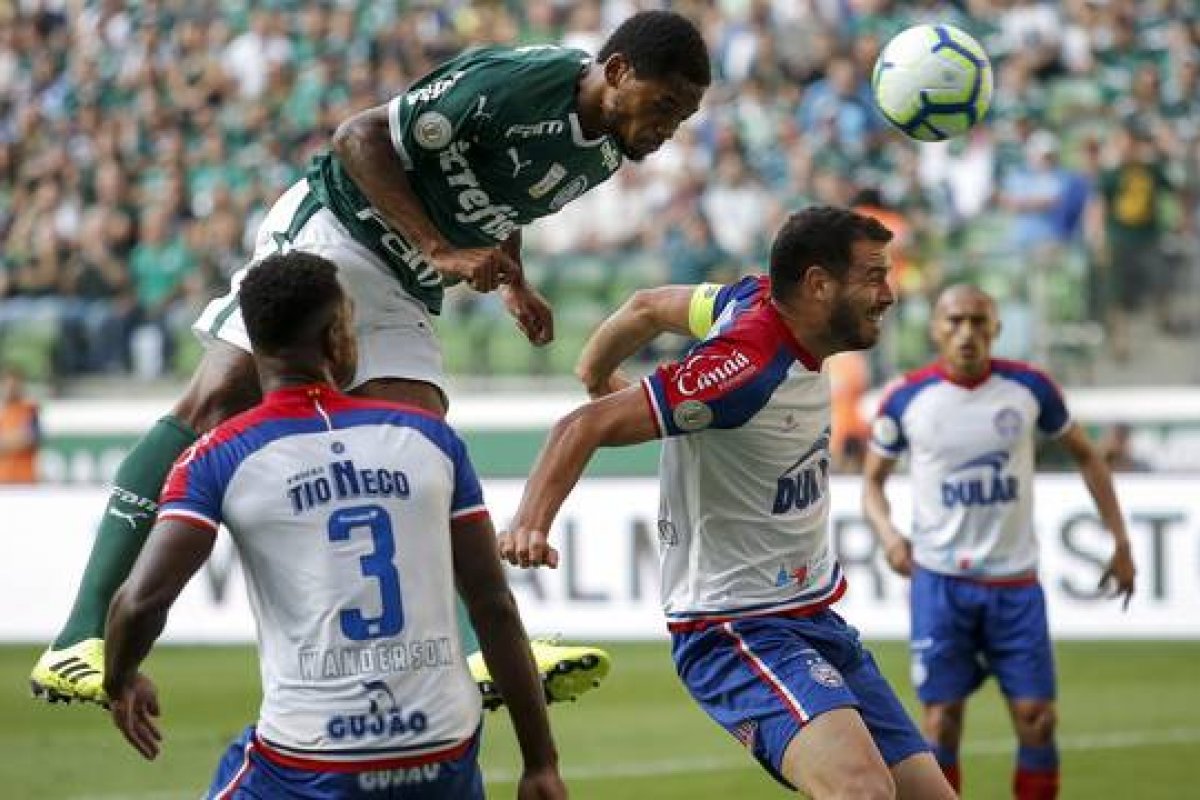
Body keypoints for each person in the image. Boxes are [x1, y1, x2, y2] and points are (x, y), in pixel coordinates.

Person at [33, 9, 711, 706]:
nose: (667, 129)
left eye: (681, 118)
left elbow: (503, 198)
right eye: (664, 106)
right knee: (214, 402)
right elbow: (358, 136)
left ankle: (477, 654)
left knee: (420, 443)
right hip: (335, 228)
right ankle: (76, 638)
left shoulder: (604, 149)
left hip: (402, 276)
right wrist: (438, 248)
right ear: (620, 73)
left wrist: (513, 277)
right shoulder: (520, 84)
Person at [499, 206, 955, 798]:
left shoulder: (750, 298)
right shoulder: (742, 370)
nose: (888, 294)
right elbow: (579, 427)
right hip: (736, 626)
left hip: (814, 614)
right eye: (873, 276)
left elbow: (645, 306)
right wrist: (530, 524)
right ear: (819, 284)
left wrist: (595, 367)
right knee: (860, 791)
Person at [104, 251, 567, 799]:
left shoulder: (217, 456)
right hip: (443, 754)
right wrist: (541, 764)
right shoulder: (431, 440)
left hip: (311, 763)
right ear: (338, 337)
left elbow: (139, 602)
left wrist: (121, 677)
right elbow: (493, 606)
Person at [861, 284, 1137, 800]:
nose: (966, 333)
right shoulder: (905, 398)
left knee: (1038, 720)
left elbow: (1088, 455)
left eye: (977, 321)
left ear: (996, 328)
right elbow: (872, 483)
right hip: (941, 584)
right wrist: (890, 535)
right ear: (935, 329)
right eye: (955, 321)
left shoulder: (1030, 388)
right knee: (940, 723)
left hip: (1014, 585)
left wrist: (1120, 542)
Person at [0, 364, 41, 484]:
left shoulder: (29, 410)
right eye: (7, 384)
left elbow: (31, 437)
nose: (11, 388)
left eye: (15, 384)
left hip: (24, 483)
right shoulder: (3, 412)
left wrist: (7, 441)